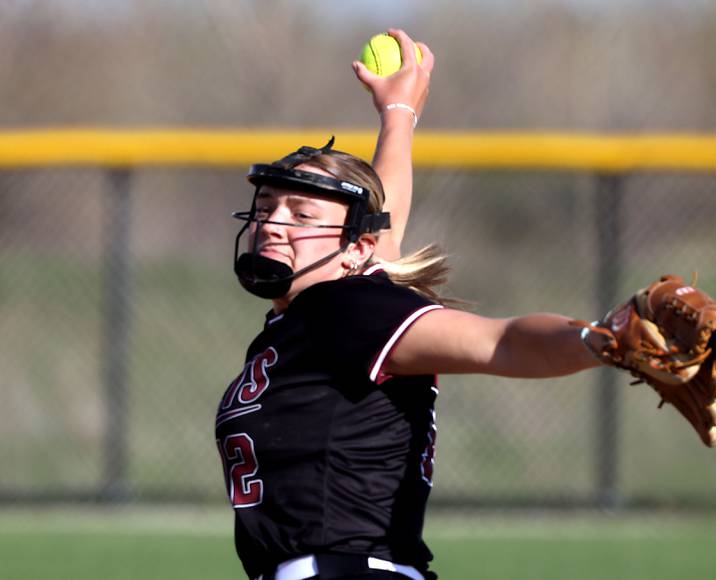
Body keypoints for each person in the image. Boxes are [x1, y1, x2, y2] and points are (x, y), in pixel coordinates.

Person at [216, 30, 602, 580]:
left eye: (301, 215)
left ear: (354, 252)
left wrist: (603, 340)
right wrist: (397, 115)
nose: (273, 224)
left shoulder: (343, 310)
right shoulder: (331, 307)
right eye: (267, 207)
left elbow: (501, 342)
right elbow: (382, 225)